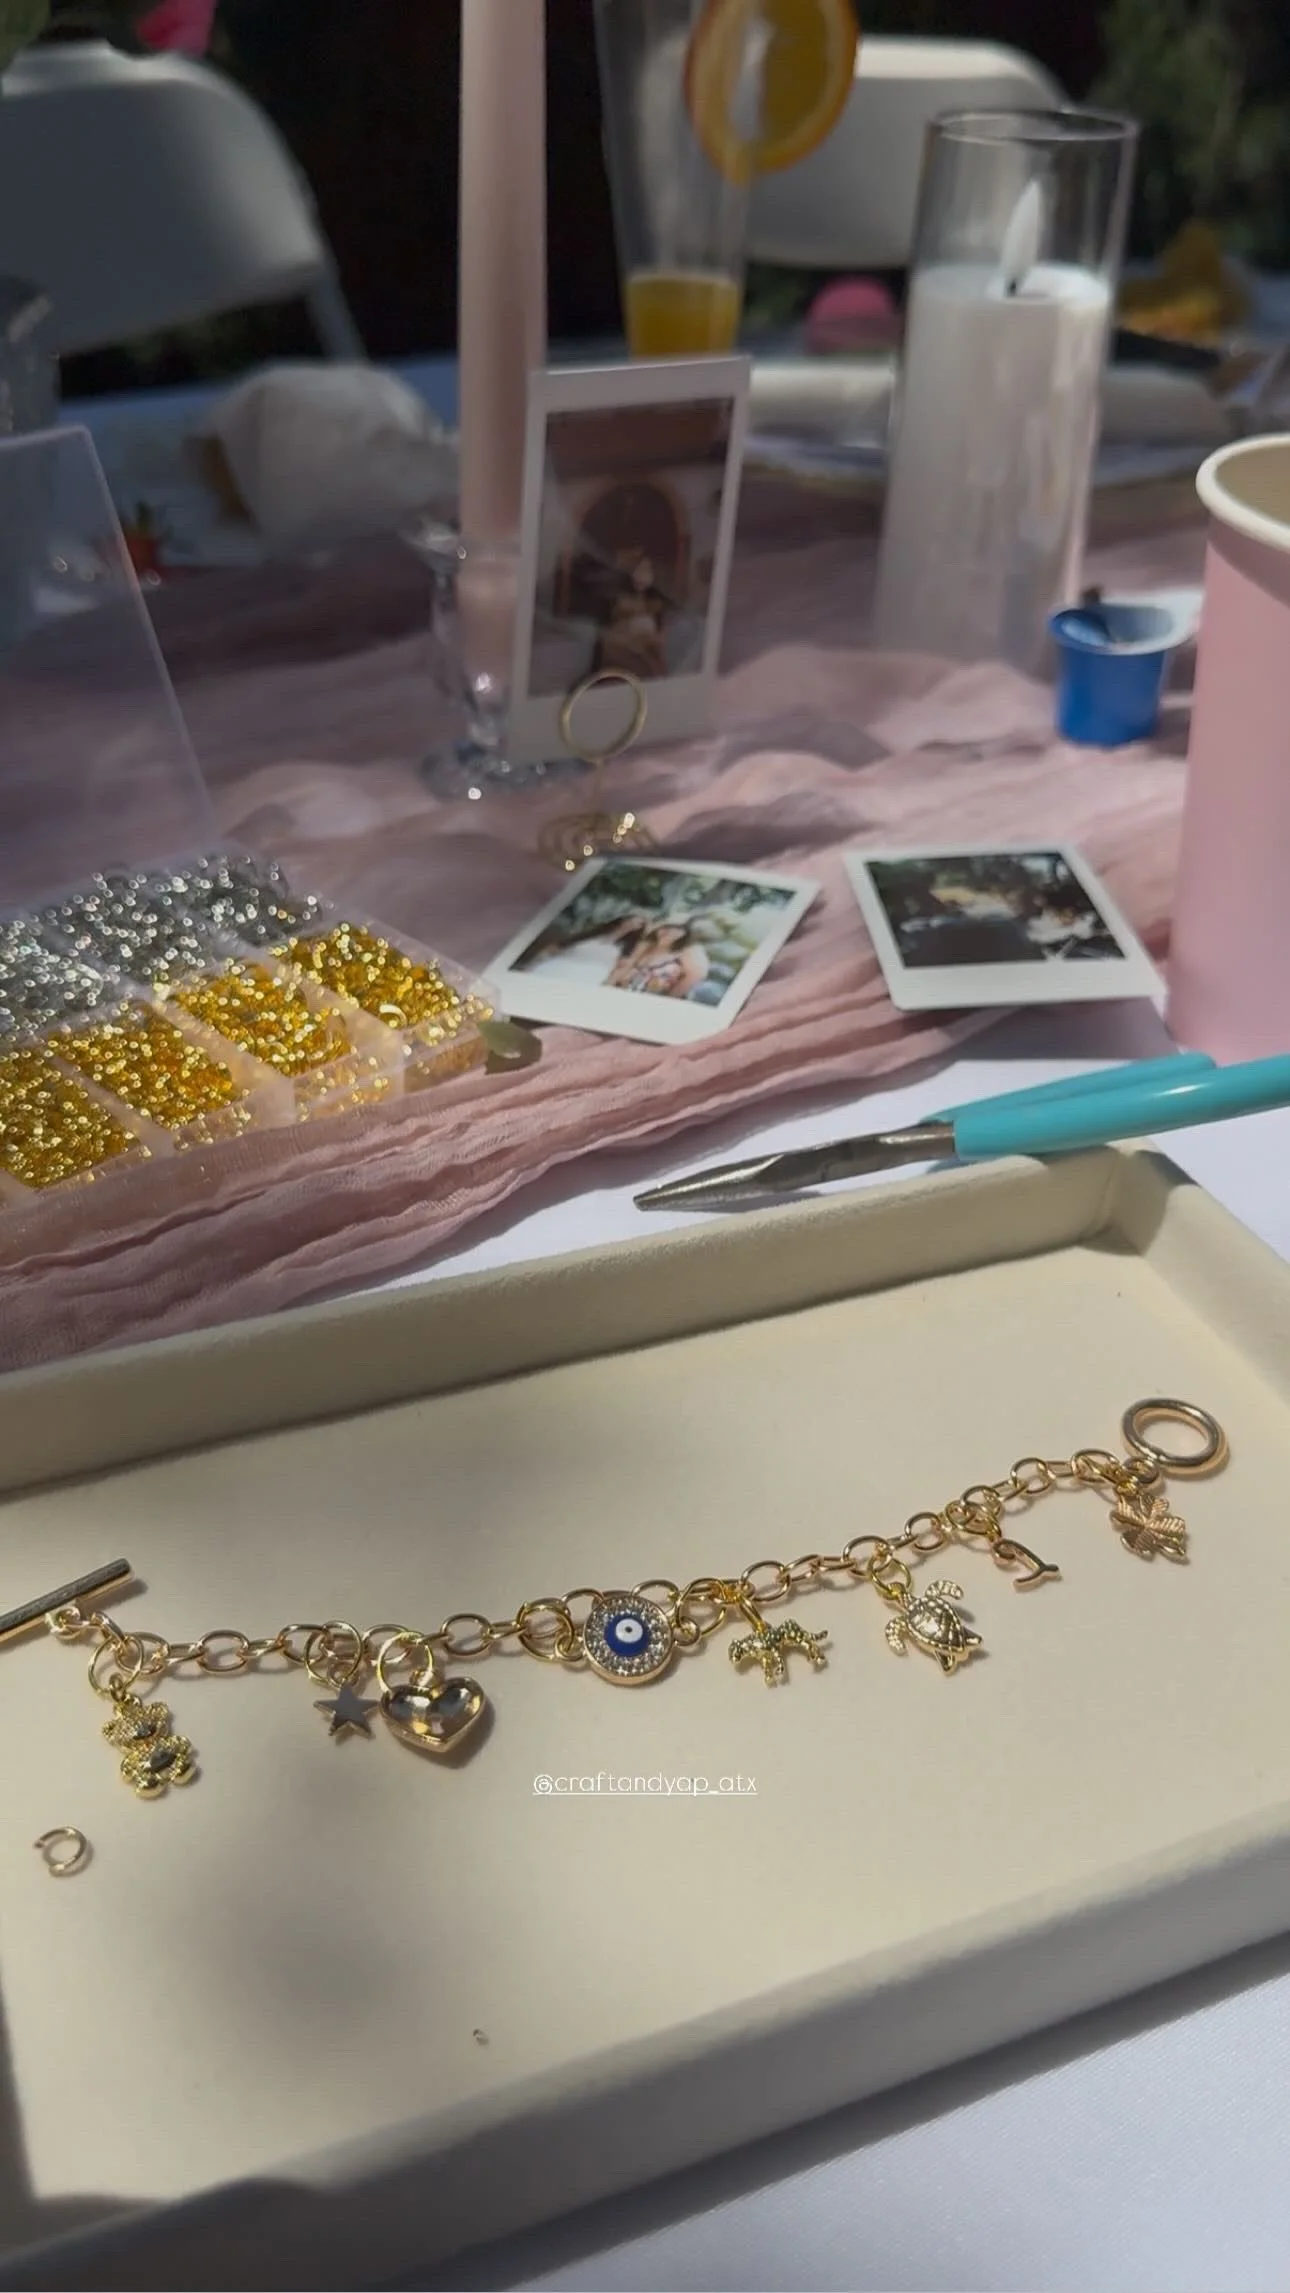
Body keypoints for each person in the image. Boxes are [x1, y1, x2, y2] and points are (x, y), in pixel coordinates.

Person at [593, 550, 670, 682]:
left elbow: (660, 637)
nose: (642, 576)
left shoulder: (656, 603)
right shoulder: (619, 602)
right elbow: (613, 637)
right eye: (638, 570)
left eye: (647, 571)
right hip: (623, 664)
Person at [609, 920, 709, 1000]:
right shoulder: (646, 945)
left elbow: (694, 977)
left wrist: (666, 1001)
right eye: (665, 927)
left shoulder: (685, 953)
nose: (668, 932)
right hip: (621, 994)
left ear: (684, 934)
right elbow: (625, 967)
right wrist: (608, 985)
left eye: (676, 929)